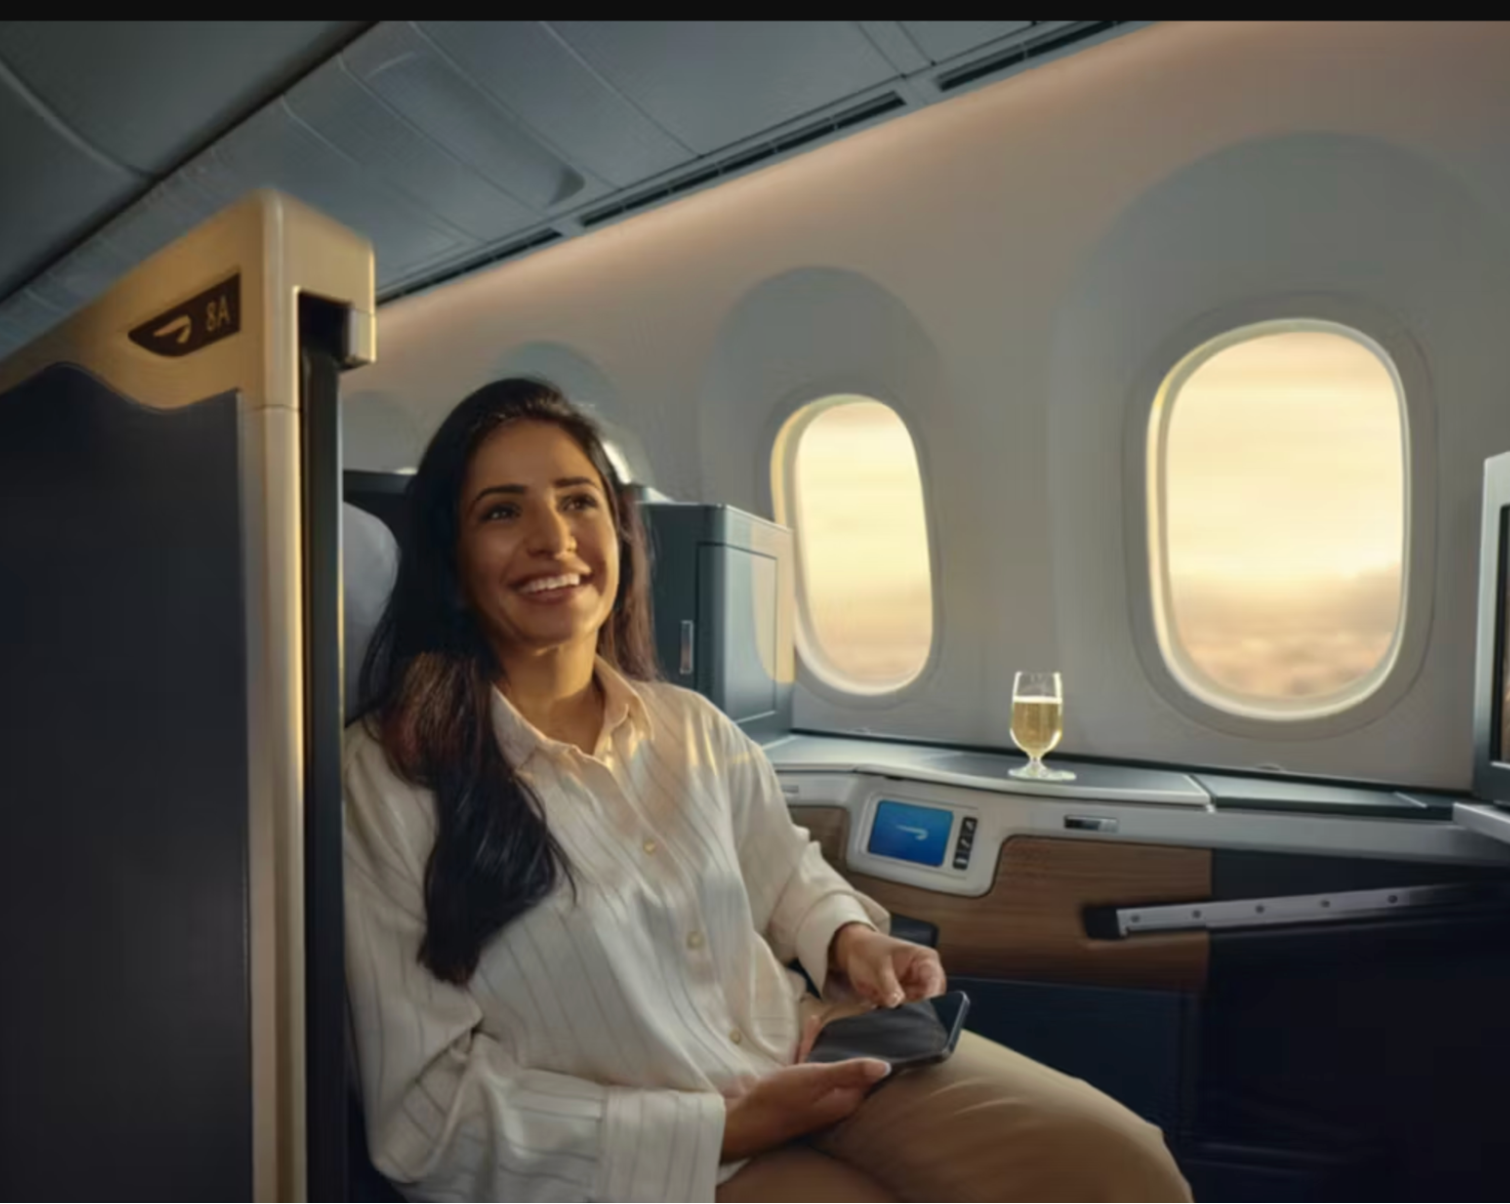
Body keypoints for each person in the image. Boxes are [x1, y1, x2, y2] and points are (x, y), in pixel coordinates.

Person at [343, 379, 1193, 1203]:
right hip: (650, 1146)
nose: (551, 538)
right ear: (452, 567)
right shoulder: (386, 778)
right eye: (502, 511)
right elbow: (427, 1117)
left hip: (806, 1047)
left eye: (577, 501)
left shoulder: (691, 728)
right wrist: (720, 1128)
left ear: (619, 532)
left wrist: (850, 939)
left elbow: (782, 871)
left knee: (1117, 1163)